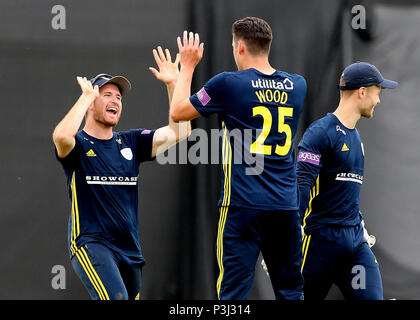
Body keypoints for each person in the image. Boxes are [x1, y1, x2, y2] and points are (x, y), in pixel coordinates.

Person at [170, 17, 307, 300]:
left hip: (242, 205)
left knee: (232, 296)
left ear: (240, 47)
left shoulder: (229, 84)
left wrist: (188, 68)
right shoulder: (298, 86)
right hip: (285, 207)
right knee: (292, 291)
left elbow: (178, 112)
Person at [52, 47, 190, 300]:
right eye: (106, 95)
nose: (115, 100)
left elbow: (181, 132)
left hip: (130, 249)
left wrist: (174, 84)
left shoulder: (132, 142)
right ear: (92, 102)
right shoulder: (78, 144)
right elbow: (61, 136)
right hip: (91, 244)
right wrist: (85, 98)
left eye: (119, 97)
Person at [297, 62, 398, 300]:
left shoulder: (356, 138)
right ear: (362, 91)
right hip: (318, 246)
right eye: (378, 92)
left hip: (354, 245)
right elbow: (301, 187)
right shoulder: (319, 133)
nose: (379, 100)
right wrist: (287, 240)